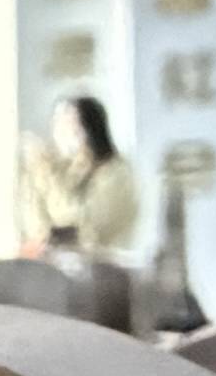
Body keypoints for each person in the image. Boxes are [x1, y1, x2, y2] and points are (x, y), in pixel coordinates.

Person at [19, 94, 141, 261]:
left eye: (69, 124)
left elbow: (82, 229)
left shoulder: (116, 173)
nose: (59, 133)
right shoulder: (66, 170)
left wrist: (46, 175)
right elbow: (38, 231)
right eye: (56, 124)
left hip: (104, 266)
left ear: (89, 129)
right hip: (60, 266)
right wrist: (35, 175)